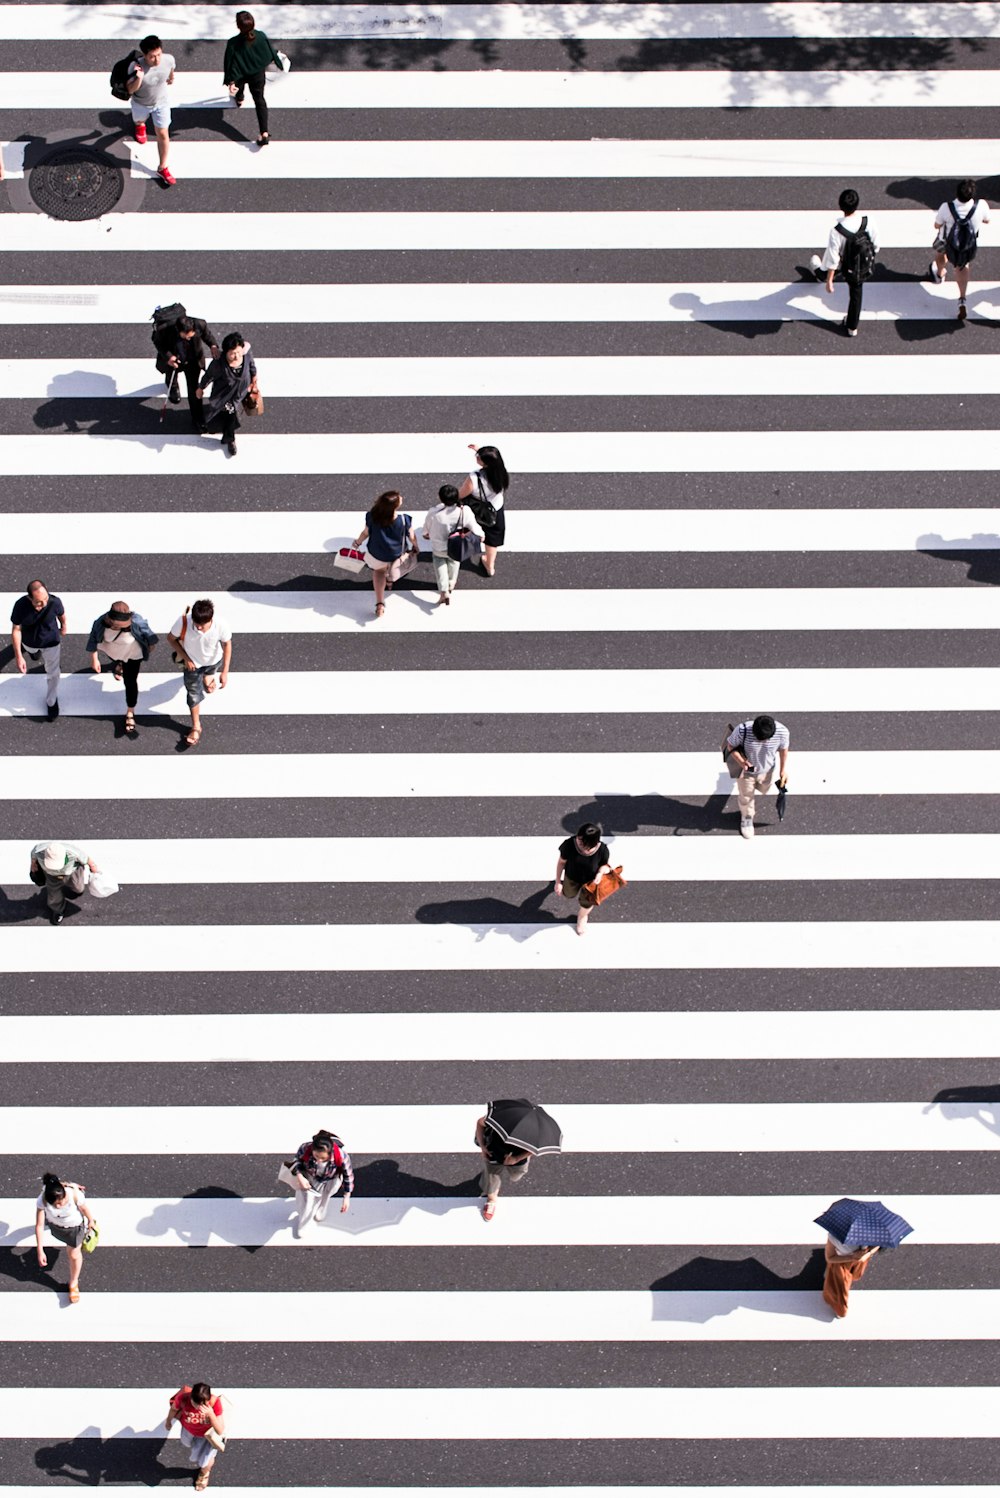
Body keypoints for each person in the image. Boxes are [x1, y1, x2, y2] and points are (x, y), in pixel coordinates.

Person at [809, 187, 878, 338]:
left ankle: (821, 273)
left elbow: (834, 258)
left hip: (846, 265)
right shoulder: (868, 221)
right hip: (863, 265)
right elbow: (875, 244)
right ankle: (852, 327)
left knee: (832, 256)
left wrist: (829, 281)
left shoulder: (837, 231)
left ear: (841, 206)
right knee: (856, 295)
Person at [86, 600, 158, 739]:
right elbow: (93, 639)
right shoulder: (100, 623)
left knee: (130, 682)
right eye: (119, 626)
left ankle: (130, 710)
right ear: (111, 621)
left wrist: (150, 644)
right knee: (117, 660)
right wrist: (94, 659)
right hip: (113, 652)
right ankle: (119, 664)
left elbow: (150, 635)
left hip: (133, 655)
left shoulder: (136, 621)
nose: (125, 627)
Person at [166, 599, 233, 748]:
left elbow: (227, 644)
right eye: (196, 624)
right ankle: (196, 727)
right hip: (193, 665)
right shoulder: (184, 621)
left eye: (202, 625)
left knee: (209, 674)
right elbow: (170, 638)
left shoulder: (221, 625)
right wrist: (186, 658)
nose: (199, 628)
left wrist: (225, 672)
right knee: (193, 694)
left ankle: (208, 678)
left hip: (214, 660)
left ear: (211, 618)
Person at [930, 179, 991, 322]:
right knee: (962, 267)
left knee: (940, 254)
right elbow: (987, 220)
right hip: (967, 245)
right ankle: (962, 298)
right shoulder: (981, 205)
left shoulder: (947, 207)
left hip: (946, 241)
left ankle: (939, 274)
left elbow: (937, 225)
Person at [354, 490, 419, 618]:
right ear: (395, 506)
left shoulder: (372, 517)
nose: (401, 497)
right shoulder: (404, 520)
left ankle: (379, 603)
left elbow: (365, 533)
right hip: (396, 554)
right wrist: (416, 547)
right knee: (393, 568)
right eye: (399, 498)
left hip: (376, 553)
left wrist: (357, 543)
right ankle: (390, 581)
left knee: (379, 572)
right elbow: (411, 536)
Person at [224, 10, 283, 147]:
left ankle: (239, 98)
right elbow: (269, 52)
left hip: (241, 74)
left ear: (238, 26)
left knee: (240, 86)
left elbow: (230, 64)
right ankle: (264, 132)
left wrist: (231, 81)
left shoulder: (233, 43)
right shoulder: (261, 36)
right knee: (259, 100)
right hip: (257, 74)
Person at [725, 714, 790, 839]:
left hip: (768, 769)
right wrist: (742, 762)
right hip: (746, 772)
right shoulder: (742, 730)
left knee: (764, 788)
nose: (763, 742)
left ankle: (753, 795)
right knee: (746, 796)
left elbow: (783, 750)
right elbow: (730, 746)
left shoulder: (782, 732)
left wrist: (783, 770)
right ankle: (747, 817)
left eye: (766, 740)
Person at [35, 1173, 96, 1303]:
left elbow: (84, 1209)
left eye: (61, 1202)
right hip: (56, 1227)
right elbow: (39, 1225)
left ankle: (73, 1283)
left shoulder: (74, 1195)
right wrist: (40, 1249)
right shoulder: (43, 1199)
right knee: (72, 1252)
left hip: (74, 1228)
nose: (58, 1206)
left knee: (73, 1254)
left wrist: (91, 1221)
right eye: (54, 1204)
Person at [10, 579, 66, 721]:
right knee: (34, 655)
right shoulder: (20, 606)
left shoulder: (54, 602)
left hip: (51, 642)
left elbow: (61, 614)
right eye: (38, 602)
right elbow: (16, 629)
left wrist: (64, 625)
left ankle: (51, 701)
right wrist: (18, 656)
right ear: (30, 598)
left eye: (45, 599)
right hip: (30, 642)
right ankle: (32, 654)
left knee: (53, 673)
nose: (44, 604)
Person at [153, 313, 220, 429]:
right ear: (178, 330)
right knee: (171, 375)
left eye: (191, 336)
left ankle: (197, 418)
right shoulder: (165, 329)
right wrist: (169, 357)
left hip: (193, 361)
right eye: (185, 336)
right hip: (175, 358)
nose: (188, 338)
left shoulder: (200, 324)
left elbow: (207, 336)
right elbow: (158, 342)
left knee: (194, 389)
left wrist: (213, 346)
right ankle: (172, 385)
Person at [196, 332, 258, 456]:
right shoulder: (219, 364)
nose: (236, 356)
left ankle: (225, 432)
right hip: (224, 396)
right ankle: (230, 439)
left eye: (238, 352)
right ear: (226, 352)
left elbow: (252, 367)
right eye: (232, 353)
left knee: (228, 414)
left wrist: (254, 381)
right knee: (230, 414)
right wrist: (201, 388)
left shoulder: (246, 355)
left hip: (240, 393)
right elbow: (208, 376)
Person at [126, 34, 177, 187]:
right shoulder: (135, 67)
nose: (157, 60)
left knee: (163, 133)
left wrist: (171, 78)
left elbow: (171, 69)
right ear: (144, 55)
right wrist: (139, 78)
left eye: (159, 55)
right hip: (141, 103)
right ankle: (140, 125)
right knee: (139, 120)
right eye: (152, 57)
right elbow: (130, 90)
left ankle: (163, 167)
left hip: (161, 103)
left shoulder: (168, 59)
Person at [422, 483, 481, 605]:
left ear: (441, 498)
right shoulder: (464, 511)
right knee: (454, 561)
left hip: (439, 546)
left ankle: (444, 591)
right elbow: (474, 527)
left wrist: (426, 534)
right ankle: (451, 583)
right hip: (457, 545)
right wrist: (481, 536)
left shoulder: (434, 513)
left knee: (439, 563)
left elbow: (426, 529)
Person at [457, 443, 509, 576]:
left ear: (484, 462)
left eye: (479, 457)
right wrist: (481, 451)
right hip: (495, 509)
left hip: (476, 509)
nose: (476, 457)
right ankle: (490, 565)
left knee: (467, 528)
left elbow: (462, 494)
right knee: (492, 539)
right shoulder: (501, 473)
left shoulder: (474, 477)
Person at [290, 1128, 354, 1236]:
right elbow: (296, 1162)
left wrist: (346, 1196)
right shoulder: (305, 1148)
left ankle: (322, 1208)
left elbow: (348, 1175)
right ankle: (303, 1223)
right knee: (307, 1201)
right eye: (316, 1156)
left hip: (331, 1179)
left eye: (324, 1158)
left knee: (326, 1195)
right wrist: (300, 1176)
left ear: (331, 1152)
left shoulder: (342, 1156)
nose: (319, 1160)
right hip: (311, 1177)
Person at [164, 1383, 226, 1491]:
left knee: (206, 1460)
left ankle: (204, 1473)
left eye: (202, 1404)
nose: (197, 1407)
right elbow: (174, 1409)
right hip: (189, 1431)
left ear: (208, 1400)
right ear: (191, 1396)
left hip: (206, 1437)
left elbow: (220, 1430)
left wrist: (211, 1414)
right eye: (195, 1403)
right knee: (186, 1443)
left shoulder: (214, 1403)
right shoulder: (183, 1398)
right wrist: (168, 1421)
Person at [554, 822, 612, 937]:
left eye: (582, 842)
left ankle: (582, 917)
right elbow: (561, 862)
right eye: (578, 839)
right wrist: (558, 881)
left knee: (587, 902)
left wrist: (600, 873)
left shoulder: (602, 850)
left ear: (592, 843)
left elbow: (604, 865)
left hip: (590, 882)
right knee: (568, 894)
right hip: (571, 877)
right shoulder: (570, 844)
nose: (578, 842)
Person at [29, 840, 101, 925]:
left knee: (78, 889)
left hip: (72, 872)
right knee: (54, 896)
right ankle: (58, 910)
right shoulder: (38, 850)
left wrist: (95, 873)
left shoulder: (73, 852)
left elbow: (89, 861)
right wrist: (33, 866)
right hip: (51, 875)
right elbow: (33, 857)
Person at [475, 1112, 530, 1221]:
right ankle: (491, 1200)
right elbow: (480, 1123)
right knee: (491, 1180)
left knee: (516, 1176)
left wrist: (517, 1158)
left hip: (517, 1158)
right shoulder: (497, 1119)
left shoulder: (531, 1130)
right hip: (493, 1154)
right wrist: (482, 1147)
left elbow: (533, 1149)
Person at [822, 1234, 879, 1318]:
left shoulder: (835, 1234)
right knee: (840, 1288)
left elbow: (878, 1244)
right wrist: (856, 1257)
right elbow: (830, 1258)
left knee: (839, 1284)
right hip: (842, 1263)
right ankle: (840, 1310)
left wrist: (868, 1254)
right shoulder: (835, 1236)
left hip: (856, 1260)